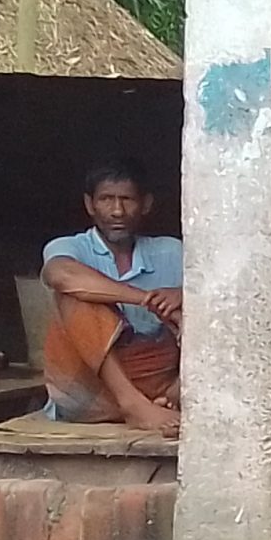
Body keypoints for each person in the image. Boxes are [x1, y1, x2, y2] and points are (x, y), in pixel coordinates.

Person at [39, 156, 182, 433]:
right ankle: (133, 405)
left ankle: (166, 399)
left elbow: (222, 295)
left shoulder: (172, 251)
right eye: (106, 199)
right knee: (76, 296)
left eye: (127, 199)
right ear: (90, 204)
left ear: (146, 204)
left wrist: (184, 295)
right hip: (90, 394)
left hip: (160, 387)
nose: (117, 211)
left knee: (204, 308)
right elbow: (61, 275)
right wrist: (145, 299)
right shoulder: (70, 247)